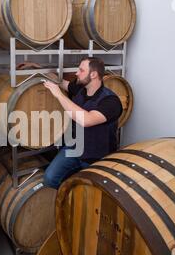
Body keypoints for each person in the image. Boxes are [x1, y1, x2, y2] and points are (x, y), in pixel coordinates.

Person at [43, 57, 123, 190]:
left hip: (96, 156)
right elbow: (61, 83)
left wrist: (59, 95)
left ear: (93, 74)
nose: (76, 73)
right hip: (74, 148)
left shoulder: (111, 102)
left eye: (81, 70)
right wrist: (36, 67)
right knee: (50, 178)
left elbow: (86, 120)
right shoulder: (80, 88)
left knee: (88, 191)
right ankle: (65, 198)